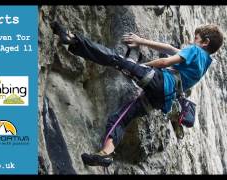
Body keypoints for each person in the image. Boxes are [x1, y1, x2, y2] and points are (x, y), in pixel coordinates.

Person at [50, 21, 224, 167]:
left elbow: (165, 60)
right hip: (162, 99)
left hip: (158, 81)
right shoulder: (204, 63)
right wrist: (141, 41)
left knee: (117, 60)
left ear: (205, 42)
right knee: (121, 118)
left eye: (196, 38)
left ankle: (72, 39)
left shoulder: (195, 51)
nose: (193, 41)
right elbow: (171, 49)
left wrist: (141, 66)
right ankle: (106, 153)